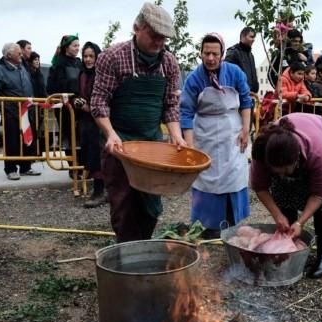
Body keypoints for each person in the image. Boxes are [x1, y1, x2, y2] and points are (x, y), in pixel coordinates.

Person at [90, 2, 186, 242]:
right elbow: (99, 102)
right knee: (124, 205)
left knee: (150, 203)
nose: (159, 43)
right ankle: (126, 253)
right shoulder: (112, 57)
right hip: (120, 144)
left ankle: (143, 247)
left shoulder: (169, 63)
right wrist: (110, 134)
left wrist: (176, 134)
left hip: (152, 146)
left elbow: (171, 105)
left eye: (163, 39)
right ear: (137, 28)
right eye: (154, 36)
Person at [250, 113, 322, 278]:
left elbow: (319, 194)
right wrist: (278, 215)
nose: (282, 174)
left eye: (286, 169)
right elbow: (260, 187)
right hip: (288, 145)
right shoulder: (262, 150)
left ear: (297, 160)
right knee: (282, 191)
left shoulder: (317, 151)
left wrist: (300, 222)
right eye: (276, 171)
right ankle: (289, 247)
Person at [180, 33, 252, 239]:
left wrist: (246, 129)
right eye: (206, 53)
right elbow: (185, 112)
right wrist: (191, 146)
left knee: (234, 176)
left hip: (233, 131)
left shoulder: (235, 72)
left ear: (221, 54)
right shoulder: (194, 78)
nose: (210, 58)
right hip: (205, 133)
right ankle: (208, 227)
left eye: (215, 53)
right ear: (201, 54)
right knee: (207, 179)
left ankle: (233, 222)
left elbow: (246, 101)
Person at [0, 43, 41, 180]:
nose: (21, 55)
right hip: (10, 113)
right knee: (11, 141)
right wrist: (4, 109)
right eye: (18, 53)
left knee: (27, 139)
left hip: (27, 111)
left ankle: (26, 167)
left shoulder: (22, 68)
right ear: (8, 55)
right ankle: (11, 169)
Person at [74, 41, 106, 208]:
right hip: (86, 121)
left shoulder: (102, 75)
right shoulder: (83, 75)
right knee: (89, 154)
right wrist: (78, 101)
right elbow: (80, 94)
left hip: (100, 121)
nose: (87, 59)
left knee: (98, 155)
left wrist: (89, 107)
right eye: (85, 56)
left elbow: (104, 99)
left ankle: (100, 191)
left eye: (91, 56)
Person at [47, 34, 83, 170]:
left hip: (79, 105)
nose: (77, 48)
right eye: (75, 46)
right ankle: (73, 166)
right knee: (69, 135)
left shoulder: (79, 62)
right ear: (66, 47)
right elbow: (50, 87)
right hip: (64, 108)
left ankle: (82, 165)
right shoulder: (58, 64)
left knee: (81, 135)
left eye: (78, 46)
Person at [225, 27, 259, 94]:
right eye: (251, 37)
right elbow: (227, 75)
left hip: (251, 95)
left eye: (254, 37)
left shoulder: (250, 55)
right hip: (238, 96)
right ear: (243, 37)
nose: (253, 40)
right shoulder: (233, 52)